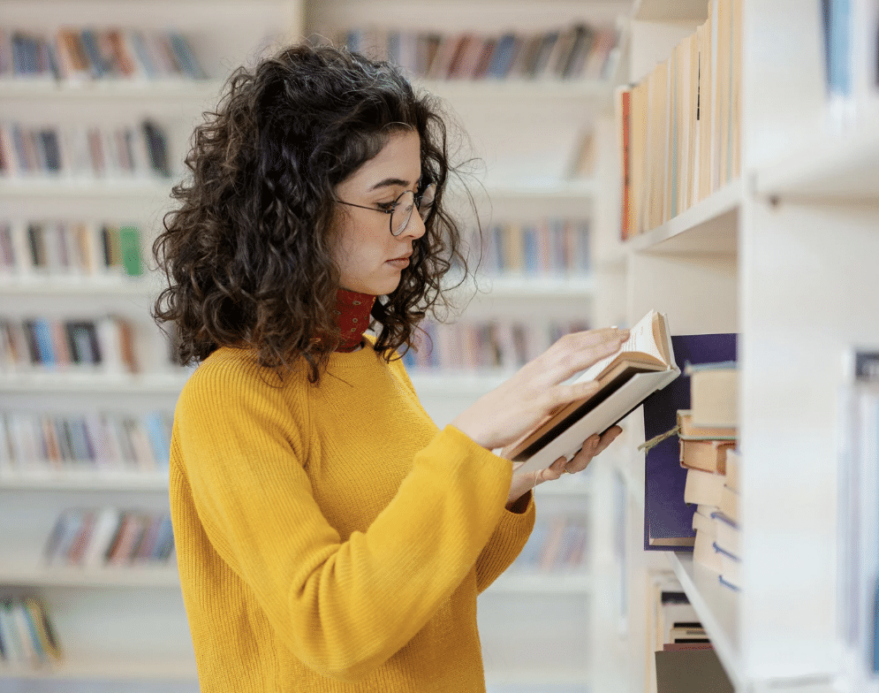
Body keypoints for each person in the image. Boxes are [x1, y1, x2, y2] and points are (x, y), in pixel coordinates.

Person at [152, 41, 627, 693]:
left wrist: (512, 477)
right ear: (297, 209)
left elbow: (425, 593)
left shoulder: (372, 361)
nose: (416, 228)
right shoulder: (227, 398)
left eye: (417, 197)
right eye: (386, 202)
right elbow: (332, 627)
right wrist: (470, 438)